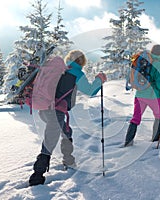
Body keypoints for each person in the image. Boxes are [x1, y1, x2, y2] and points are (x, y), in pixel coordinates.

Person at [29, 49, 107, 186]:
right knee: (49, 142)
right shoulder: (76, 73)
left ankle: (69, 160)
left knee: (67, 132)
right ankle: (37, 176)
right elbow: (90, 91)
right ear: (82, 61)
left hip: (44, 110)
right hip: (56, 112)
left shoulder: (62, 69)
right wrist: (99, 80)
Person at [124, 44, 160, 147]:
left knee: (136, 118)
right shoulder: (158, 64)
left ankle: (128, 142)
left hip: (139, 94)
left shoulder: (143, 61)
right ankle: (155, 140)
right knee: (159, 116)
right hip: (153, 96)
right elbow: (159, 83)